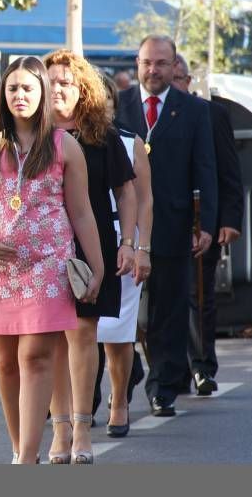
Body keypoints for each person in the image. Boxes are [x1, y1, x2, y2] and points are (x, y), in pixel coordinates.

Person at [0, 56, 103, 465]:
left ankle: (28, 456)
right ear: (3, 95)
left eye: (28, 88)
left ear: (42, 94)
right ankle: (18, 447)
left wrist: (96, 265)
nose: (19, 96)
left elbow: (81, 212)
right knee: (5, 363)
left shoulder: (65, 146)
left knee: (36, 357)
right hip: (0, 271)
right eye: (13, 88)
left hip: (49, 266)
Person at [114, 35, 217, 417]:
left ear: (174, 66)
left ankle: (163, 386)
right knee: (120, 314)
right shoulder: (117, 106)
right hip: (124, 227)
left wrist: (204, 223)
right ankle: (126, 376)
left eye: (161, 63)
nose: (153, 70)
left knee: (168, 310)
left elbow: (205, 169)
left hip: (173, 226)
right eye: (146, 63)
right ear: (137, 64)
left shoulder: (193, 111)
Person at [43, 49, 137, 464]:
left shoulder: (102, 136)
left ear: (82, 89)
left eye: (66, 82)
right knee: (51, 343)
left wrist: (129, 243)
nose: (58, 88)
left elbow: (127, 191)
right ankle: (58, 430)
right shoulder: (29, 134)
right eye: (52, 81)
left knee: (82, 335)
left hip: (90, 245)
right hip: (41, 249)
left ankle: (82, 428)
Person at [171, 55, 243, 396]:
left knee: (199, 296)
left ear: (188, 81)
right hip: (161, 223)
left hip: (202, 221)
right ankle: (170, 371)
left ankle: (201, 367)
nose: (172, 87)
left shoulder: (212, 115)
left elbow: (229, 172)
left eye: (177, 79)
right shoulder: (147, 116)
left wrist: (229, 219)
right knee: (162, 302)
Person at [95, 74, 153, 438]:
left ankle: (119, 400)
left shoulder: (130, 142)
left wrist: (140, 246)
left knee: (117, 329)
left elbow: (144, 199)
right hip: (72, 238)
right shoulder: (62, 139)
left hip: (121, 236)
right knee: (73, 330)